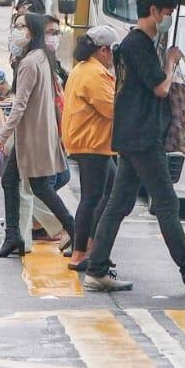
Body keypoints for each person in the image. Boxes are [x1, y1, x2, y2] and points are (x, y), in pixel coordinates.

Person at [81, 0, 185, 294]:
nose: (169, 19)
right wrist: (171, 61)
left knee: (119, 204)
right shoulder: (137, 44)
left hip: (135, 134)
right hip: (143, 135)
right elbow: (160, 87)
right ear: (155, 11)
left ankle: (96, 268)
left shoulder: (141, 43)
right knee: (166, 202)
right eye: (168, 13)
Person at [0, 11, 74, 257]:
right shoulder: (41, 58)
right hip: (36, 134)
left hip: (32, 137)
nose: (16, 31)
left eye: (21, 27)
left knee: (40, 187)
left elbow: (20, 104)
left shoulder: (29, 62)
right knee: (10, 181)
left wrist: (2, 135)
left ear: (32, 32)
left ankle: (74, 228)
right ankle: (13, 236)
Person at [63, 26, 120, 269]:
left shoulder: (85, 69)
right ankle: (79, 254)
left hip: (94, 142)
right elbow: (111, 108)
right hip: (91, 143)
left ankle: (89, 245)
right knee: (92, 197)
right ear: (104, 50)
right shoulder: (93, 74)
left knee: (110, 191)